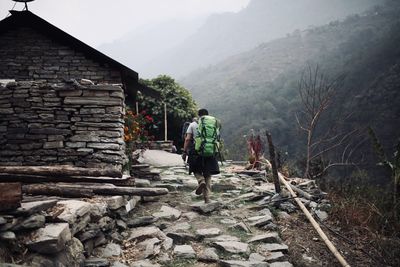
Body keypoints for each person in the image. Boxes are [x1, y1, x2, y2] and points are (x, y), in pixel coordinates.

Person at [182, 109, 220, 203]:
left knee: (195, 169)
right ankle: (207, 199)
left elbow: (187, 139)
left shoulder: (193, 124)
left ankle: (200, 180)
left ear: (198, 115)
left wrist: (184, 151)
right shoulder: (213, 124)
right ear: (208, 115)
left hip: (196, 150)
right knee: (208, 174)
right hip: (210, 151)